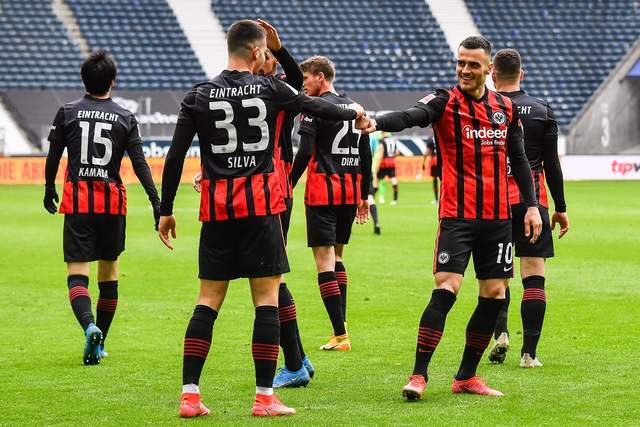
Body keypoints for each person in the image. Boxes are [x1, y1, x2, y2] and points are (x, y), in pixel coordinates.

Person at [158, 20, 364, 418]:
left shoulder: (199, 94)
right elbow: (316, 105)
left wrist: (165, 210)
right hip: (262, 207)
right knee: (266, 300)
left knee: (207, 301)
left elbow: (175, 155)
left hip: (217, 209)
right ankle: (265, 398)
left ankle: (190, 397)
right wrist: (352, 109)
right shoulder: (271, 89)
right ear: (257, 52)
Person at [356, 36, 542, 399]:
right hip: (457, 216)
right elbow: (410, 116)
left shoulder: (505, 108)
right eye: (460, 63)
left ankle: (466, 377)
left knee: (495, 294)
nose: (465, 70)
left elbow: (519, 159)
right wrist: (376, 122)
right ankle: (418, 375)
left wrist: (532, 205)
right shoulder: (444, 101)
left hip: (498, 219)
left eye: (473, 64)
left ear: (489, 68)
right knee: (447, 288)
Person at [191, 19, 314, 388]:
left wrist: (279, 49)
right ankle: (297, 358)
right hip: (256, 188)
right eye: (265, 57)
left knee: (271, 281)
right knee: (274, 280)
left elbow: (298, 79)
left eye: (271, 61)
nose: (267, 64)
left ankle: (295, 361)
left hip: (270, 190)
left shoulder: (276, 92)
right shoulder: (252, 91)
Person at [43, 49, 160, 365]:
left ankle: (89, 326)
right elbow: (139, 162)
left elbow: (53, 155)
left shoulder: (67, 112)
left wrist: (49, 187)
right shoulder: (125, 117)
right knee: (108, 275)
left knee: (77, 273)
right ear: (113, 81)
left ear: (84, 79)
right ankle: (101, 342)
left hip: (79, 202)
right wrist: (155, 201)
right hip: (112, 204)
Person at [488, 48, 569, 367]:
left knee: (497, 274)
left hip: (493, 202)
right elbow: (552, 164)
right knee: (533, 273)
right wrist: (560, 207)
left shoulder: (486, 108)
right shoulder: (541, 110)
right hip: (532, 202)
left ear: (492, 74)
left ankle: (501, 333)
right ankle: (529, 354)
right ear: (521, 74)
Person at [290, 55, 372, 352]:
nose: (303, 85)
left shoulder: (314, 108)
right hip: (348, 193)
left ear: (320, 77)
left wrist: (288, 183)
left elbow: (305, 151)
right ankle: (342, 328)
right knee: (336, 258)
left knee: (324, 262)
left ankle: (340, 335)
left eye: (306, 78)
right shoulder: (354, 106)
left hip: (322, 191)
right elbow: (365, 153)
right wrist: (364, 194)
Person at [373, 132, 399, 205]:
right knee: (394, 181)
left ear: (383, 133)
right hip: (391, 162)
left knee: (376, 181)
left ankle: (372, 198)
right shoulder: (393, 141)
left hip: (384, 163)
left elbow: (380, 155)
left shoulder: (382, 141)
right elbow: (397, 152)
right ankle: (395, 200)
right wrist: (392, 156)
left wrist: (377, 167)